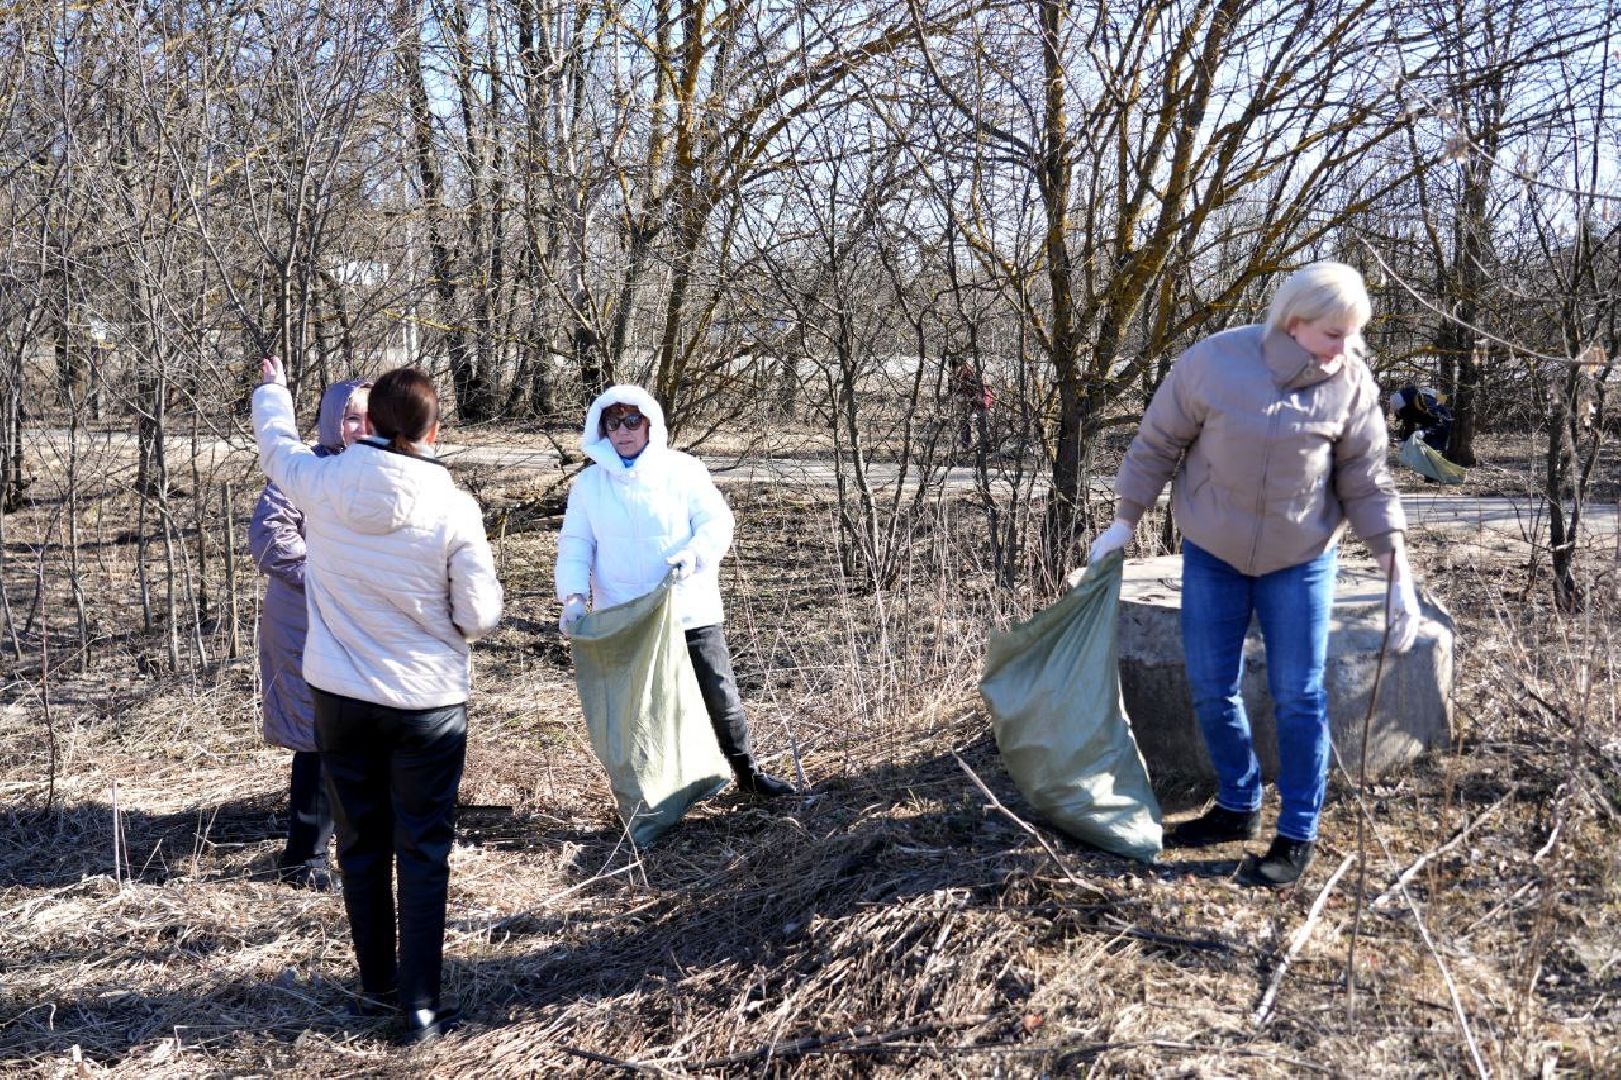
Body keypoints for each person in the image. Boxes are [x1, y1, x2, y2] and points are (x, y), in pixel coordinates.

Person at [1075, 262, 1421, 888]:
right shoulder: (1215, 362)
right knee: (1211, 685)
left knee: (1300, 696)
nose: (1347, 347)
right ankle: (1238, 804)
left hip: (1302, 560)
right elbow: (1156, 444)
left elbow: (1368, 482)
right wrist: (1125, 522)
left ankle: (1298, 833)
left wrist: (1398, 574)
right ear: (1294, 322)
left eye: (1354, 334)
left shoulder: (1351, 383)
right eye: (1335, 334)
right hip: (1214, 553)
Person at [253, 357, 503, 1043]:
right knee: (423, 851)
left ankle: (376, 989)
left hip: (341, 698)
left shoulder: (324, 483)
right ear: (432, 430)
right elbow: (479, 615)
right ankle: (419, 1009)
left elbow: (276, 447)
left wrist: (273, 393)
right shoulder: (453, 506)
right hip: (426, 704)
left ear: (369, 424)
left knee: (360, 846)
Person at [554, 386, 797, 800]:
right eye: (614, 423)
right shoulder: (589, 485)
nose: (624, 431)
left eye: (633, 421)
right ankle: (652, 796)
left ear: (650, 424)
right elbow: (576, 543)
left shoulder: (683, 471)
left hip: (689, 608)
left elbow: (716, 522)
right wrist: (574, 597)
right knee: (639, 709)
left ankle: (748, 773)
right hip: (627, 618)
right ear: (602, 429)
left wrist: (695, 554)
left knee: (718, 694)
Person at [249, 377, 370, 890]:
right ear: (332, 421)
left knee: (360, 737)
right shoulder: (303, 469)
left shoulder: (381, 469)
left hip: (360, 624)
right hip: (304, 623)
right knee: (318, 738)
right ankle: (305, 860)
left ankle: (359, 844)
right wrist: (329, 577)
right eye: (351, 417)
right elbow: (271, 539)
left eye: (370, 417)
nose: (361, 428)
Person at [1388, 384, 1452, 453]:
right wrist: (1405, 441)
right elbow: (1409, 425)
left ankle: (1434, 448)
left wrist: (1423, 432)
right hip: (1426, 417)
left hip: (1436, 423)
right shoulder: (1408, 408)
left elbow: (1439, 420)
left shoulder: (1427, 401)